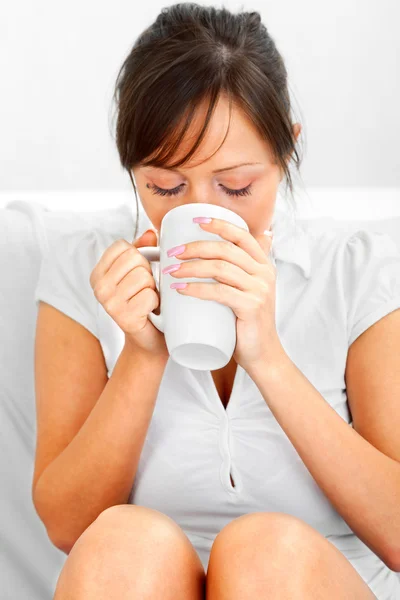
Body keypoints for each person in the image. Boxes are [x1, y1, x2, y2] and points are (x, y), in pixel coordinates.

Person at [32, 4, 400, 599]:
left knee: (265, 555)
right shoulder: (85, 271)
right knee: (122, 544)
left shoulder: (358, 271)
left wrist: (268, 356)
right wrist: (143, 353)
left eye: (236, 187)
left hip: (308, 583)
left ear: (286, 155)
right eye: (164, 187)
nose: (197, 214)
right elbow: (67, 526)